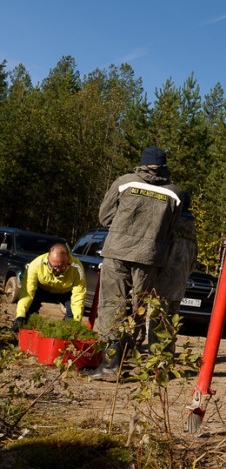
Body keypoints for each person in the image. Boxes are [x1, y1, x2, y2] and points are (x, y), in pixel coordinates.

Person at [89, 146, 182, 381]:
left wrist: (125, 227)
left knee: (113, 305)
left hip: (118, 252)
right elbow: (171, 230)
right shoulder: (174, 193)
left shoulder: (125, 182)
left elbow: (104, 217)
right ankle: (130, 359)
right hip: (150, 258)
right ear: (164, 165)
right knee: (138, 308)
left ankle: (110, 366)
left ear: (143, 162)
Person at [152, 193, 198, 348]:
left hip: (163, 281)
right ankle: (167, 355)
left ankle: (156, 357)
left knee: (157, 320)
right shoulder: (192, 231)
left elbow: (159, 254)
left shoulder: (170, 227)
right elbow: (193, 262)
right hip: (180, 284)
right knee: (171, 321)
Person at [12, 243, 86, 330]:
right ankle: (27, 330)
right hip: (42, 289)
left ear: (68, 260)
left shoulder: (77, 267)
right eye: (54, 267)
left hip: (65, 292)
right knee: (29, 310)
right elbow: (27, 292)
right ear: (47, 260)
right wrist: (20, 315)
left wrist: (77, 322)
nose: (58, 270)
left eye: (62, 267)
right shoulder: (35, 265)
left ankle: (65, 333)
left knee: (72, 315)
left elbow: (79, 296)